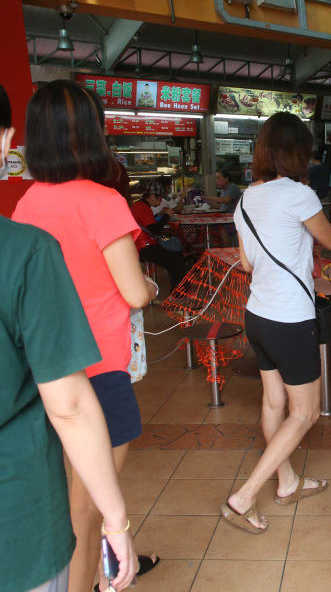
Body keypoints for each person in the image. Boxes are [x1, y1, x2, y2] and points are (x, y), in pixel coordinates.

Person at [11, 80, 156, 592]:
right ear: (92, 134)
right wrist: (153, 283)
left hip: (45, 372)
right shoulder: (104, 202)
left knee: (70, 498)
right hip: (98, 369)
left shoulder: (27, 204)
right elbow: (135, 293)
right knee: (88, 507)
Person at [224, 112, 331, 534]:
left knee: (273, 403)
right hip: (290, 319)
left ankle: (288, 482)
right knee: (305, 413)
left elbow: (245, 262)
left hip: (257, 315)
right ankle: (243, 498)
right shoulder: (299, 194)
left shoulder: (244, 198)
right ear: (297, 153)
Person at [130, 180, 188, 290]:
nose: (161, 201)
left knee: (175, 253)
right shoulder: (142, 208)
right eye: (160, 198)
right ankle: (179, 293)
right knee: (176, 258)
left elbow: (149, 226)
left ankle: (180, 290)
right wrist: (166, 216)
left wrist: (159, 215)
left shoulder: (138, 205)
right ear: (152, 196)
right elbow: (154, 229)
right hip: (144, 248)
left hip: (141, 245)